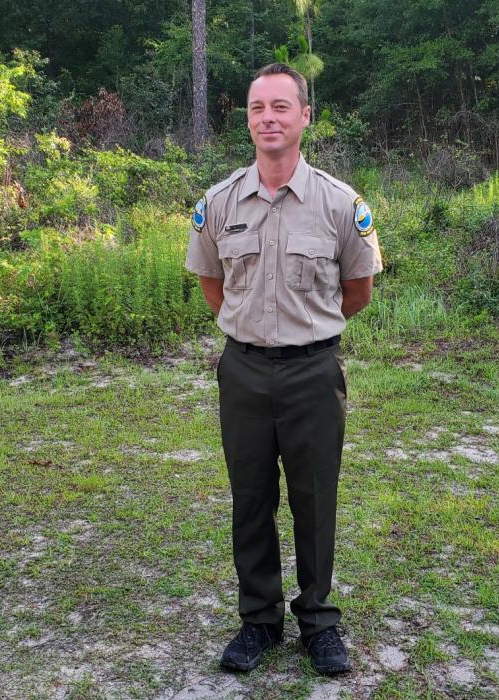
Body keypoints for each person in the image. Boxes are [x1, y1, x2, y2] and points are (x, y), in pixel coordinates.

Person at [184, 63, 382, 676]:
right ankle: (259, 621)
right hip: (242, 370)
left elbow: (358, 291)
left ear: (304, 116)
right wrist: (253, 333)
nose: (267, 118)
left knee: (314, 498)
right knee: (251, 498)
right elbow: (214, 287)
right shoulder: (217, 203)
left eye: (280, 107)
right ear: (247, 120)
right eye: (256, 108)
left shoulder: (340, 203)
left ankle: (319, 622)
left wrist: (302, 333)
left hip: (313, 372)